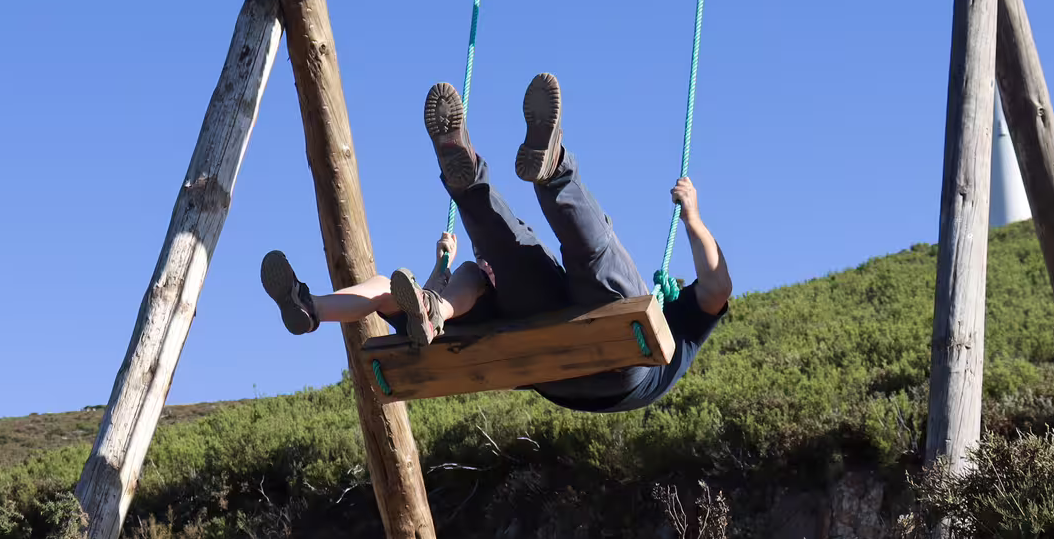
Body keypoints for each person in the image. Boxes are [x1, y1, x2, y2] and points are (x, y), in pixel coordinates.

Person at [260, 73, 731, 413]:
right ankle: (515, 174)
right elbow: (713, 286)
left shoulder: (681, 328)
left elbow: (717, 286)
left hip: (621, 363)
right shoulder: (674, 315)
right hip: (557, 353)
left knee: (561, 256)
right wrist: (693, 219)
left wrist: (692, 217)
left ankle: (520, 175)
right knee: (529, 257)